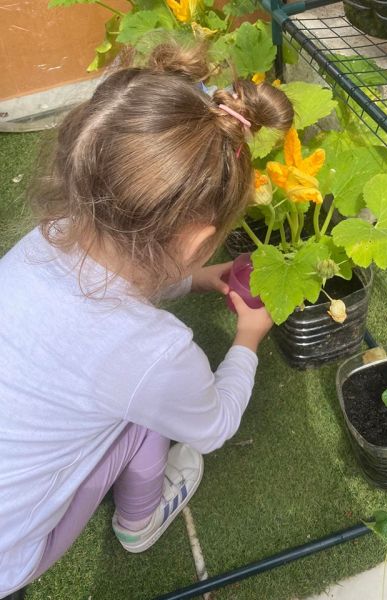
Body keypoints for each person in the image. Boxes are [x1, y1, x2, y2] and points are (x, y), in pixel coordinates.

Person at [0, 41, 294, 597]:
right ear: (201, 238)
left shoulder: (39, 243)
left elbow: (116, 272)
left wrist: (195, 278)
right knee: (144, 415)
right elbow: (212, 427)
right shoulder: (155, 354)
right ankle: (141, 520)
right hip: (8, 560)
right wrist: (248, 340)